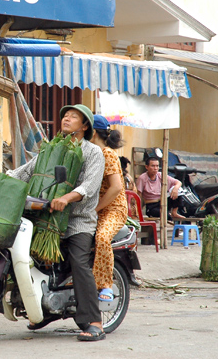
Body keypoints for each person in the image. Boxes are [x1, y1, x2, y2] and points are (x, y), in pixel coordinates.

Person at [6, 104, 106, 342]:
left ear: (84, 126)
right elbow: (25, 172)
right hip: (44, 216)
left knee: (79, 262)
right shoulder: (50, 149)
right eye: (65, 116)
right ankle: (40, 309)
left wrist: (65, 198)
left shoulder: (93, 152)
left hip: (77, 220)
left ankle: (94, 321)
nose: (67, 119)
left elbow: (89, 187)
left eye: (73, 117)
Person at [91, 115, 128, 303]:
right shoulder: (89, 152)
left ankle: (106, 285)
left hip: (113, 209)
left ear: (93, 132)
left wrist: (96, 208)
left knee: (102, 237)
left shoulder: (107, 153)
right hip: (95, 208)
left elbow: (116, 188)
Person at [136, 156, 183, 222]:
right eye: (153, 166)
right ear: (147, 167)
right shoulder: (142, 178)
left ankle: (174, 212)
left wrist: (175, 188)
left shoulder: (161, 175)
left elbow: (178, 182)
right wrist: (137, 211)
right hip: (152, 206)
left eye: (157, 166)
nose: (155, 168)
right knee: (166, 216)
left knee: (179, 189)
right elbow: (138, 195)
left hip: (163, 202)